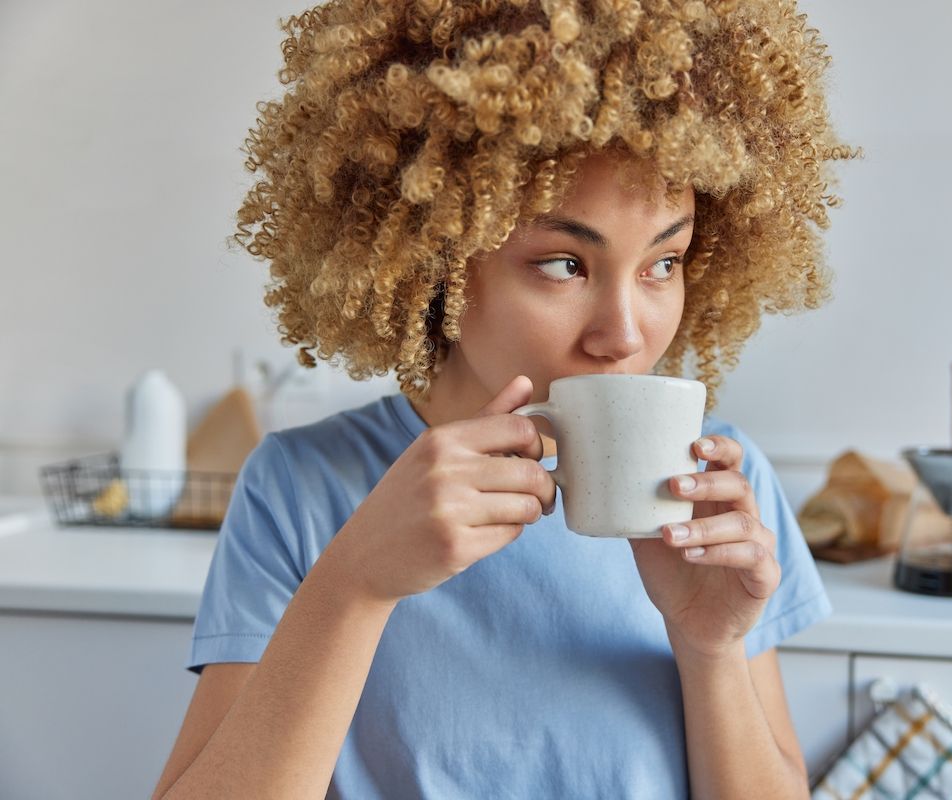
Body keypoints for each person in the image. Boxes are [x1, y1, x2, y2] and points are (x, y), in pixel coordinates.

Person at [155, 0, 855, 797]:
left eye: (665, 262)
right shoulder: (302, 488)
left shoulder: (719, 489)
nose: (625, 335)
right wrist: (354, 583)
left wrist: (709, 648)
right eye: (563, 264)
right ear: (436, 257)